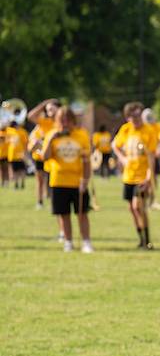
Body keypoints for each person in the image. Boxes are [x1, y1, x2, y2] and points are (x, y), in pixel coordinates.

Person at [42, 107, 93, 253]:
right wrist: (52, 139)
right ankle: (68, 242)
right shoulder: (52, 134)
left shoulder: (81, 135)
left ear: (73, 121)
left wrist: (85, 180)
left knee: (82, 213)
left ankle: (86, 242)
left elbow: (86, 161)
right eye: (61, 120)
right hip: (58, 181)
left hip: (77, 181)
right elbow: (45, 157)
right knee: (64, 215)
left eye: (67, 120)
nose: (64, 123)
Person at [112, 102, 158, 249]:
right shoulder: (126, 130)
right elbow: (115, 145)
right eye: (133, 116)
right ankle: (141, 238)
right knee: (132, 209)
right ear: (128, 118)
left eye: (139, 115)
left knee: (138, 206)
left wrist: (148, 178)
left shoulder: (148, 131)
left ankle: (147, 239)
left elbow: (152, 157)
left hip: (142, 175)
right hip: (128, 176)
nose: (137, 119)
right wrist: (122, 158)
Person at [5, 119, 28, 189]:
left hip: (20, 154)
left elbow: (26, 143)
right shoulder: (9, 131)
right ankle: (16, 183)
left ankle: (21, 183)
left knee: (21, 170)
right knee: (16, 170)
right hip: (12, 155)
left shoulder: (22, 132)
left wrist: (25, 153)